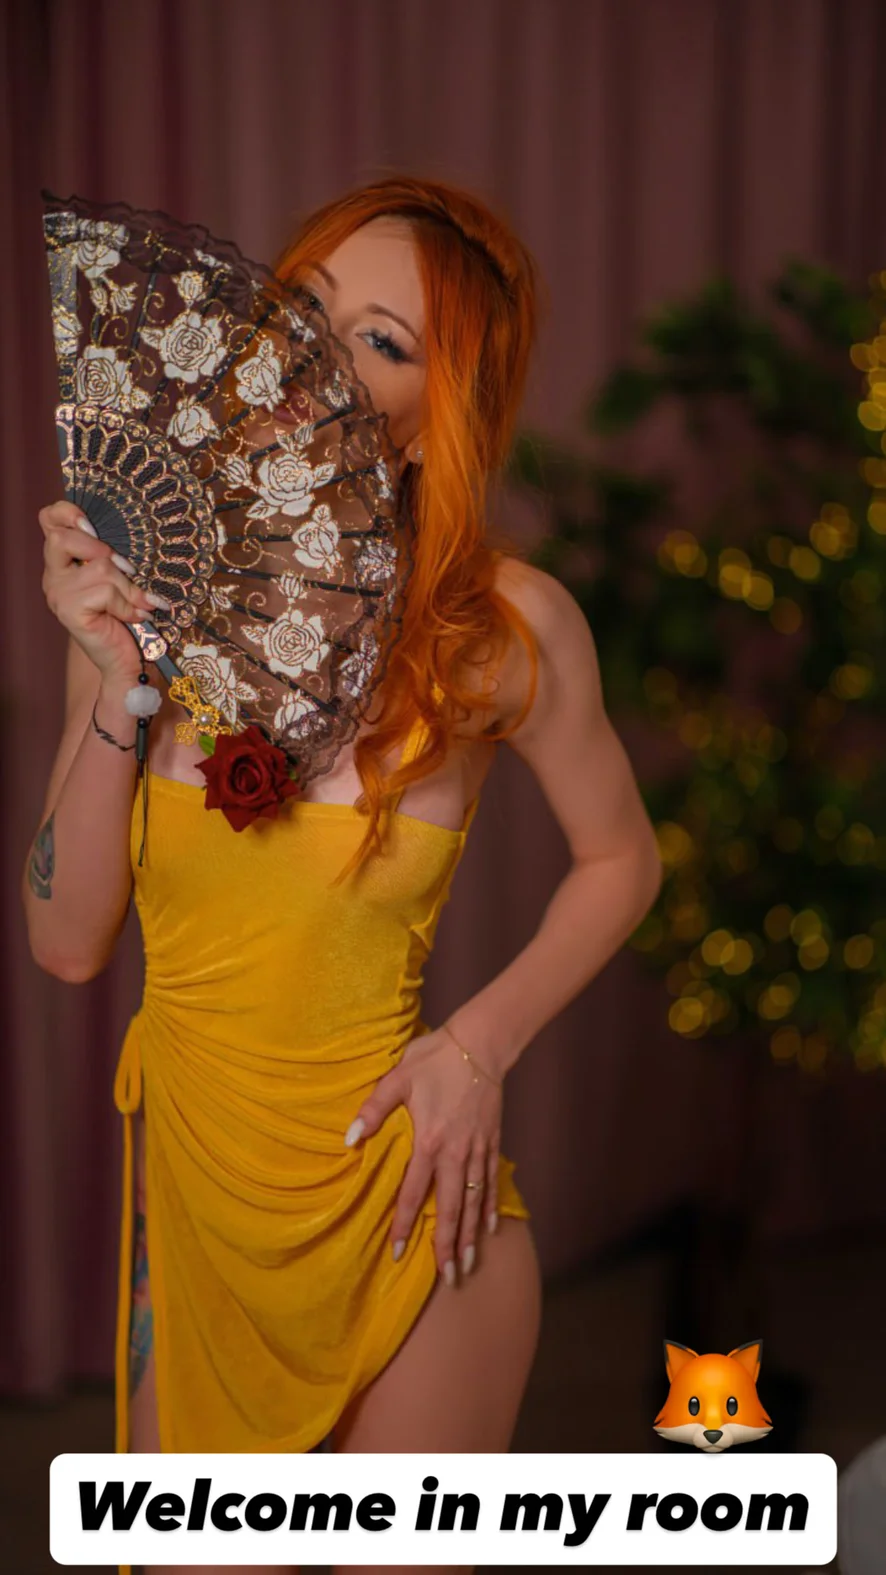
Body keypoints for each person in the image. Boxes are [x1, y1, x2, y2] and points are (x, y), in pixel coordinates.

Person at [24, 175, 663, 1575]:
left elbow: (623, 857)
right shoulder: (149, 595)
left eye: (379, 340)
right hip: (203, 1232)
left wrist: (479, 1047)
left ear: (437, 412)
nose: (313, 349)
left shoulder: (500, 631)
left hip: (408, 1222)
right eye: (303, 304)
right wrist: (115, 679)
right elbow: (66, 943)